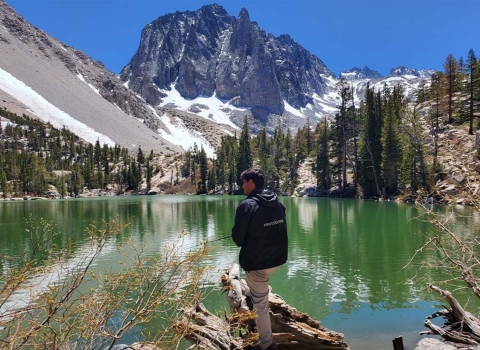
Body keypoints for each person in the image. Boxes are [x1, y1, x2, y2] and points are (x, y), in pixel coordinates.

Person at [231, 168, 288, 350]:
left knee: (260, 305)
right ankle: (257, 292)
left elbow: (238, 240)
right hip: (278, 259)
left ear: (251, 183)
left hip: (258, 264)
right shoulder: (277, 202)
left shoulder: (247, 205)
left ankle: (266, 344)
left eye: (243, 182)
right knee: (259, 287)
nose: (242, 187)